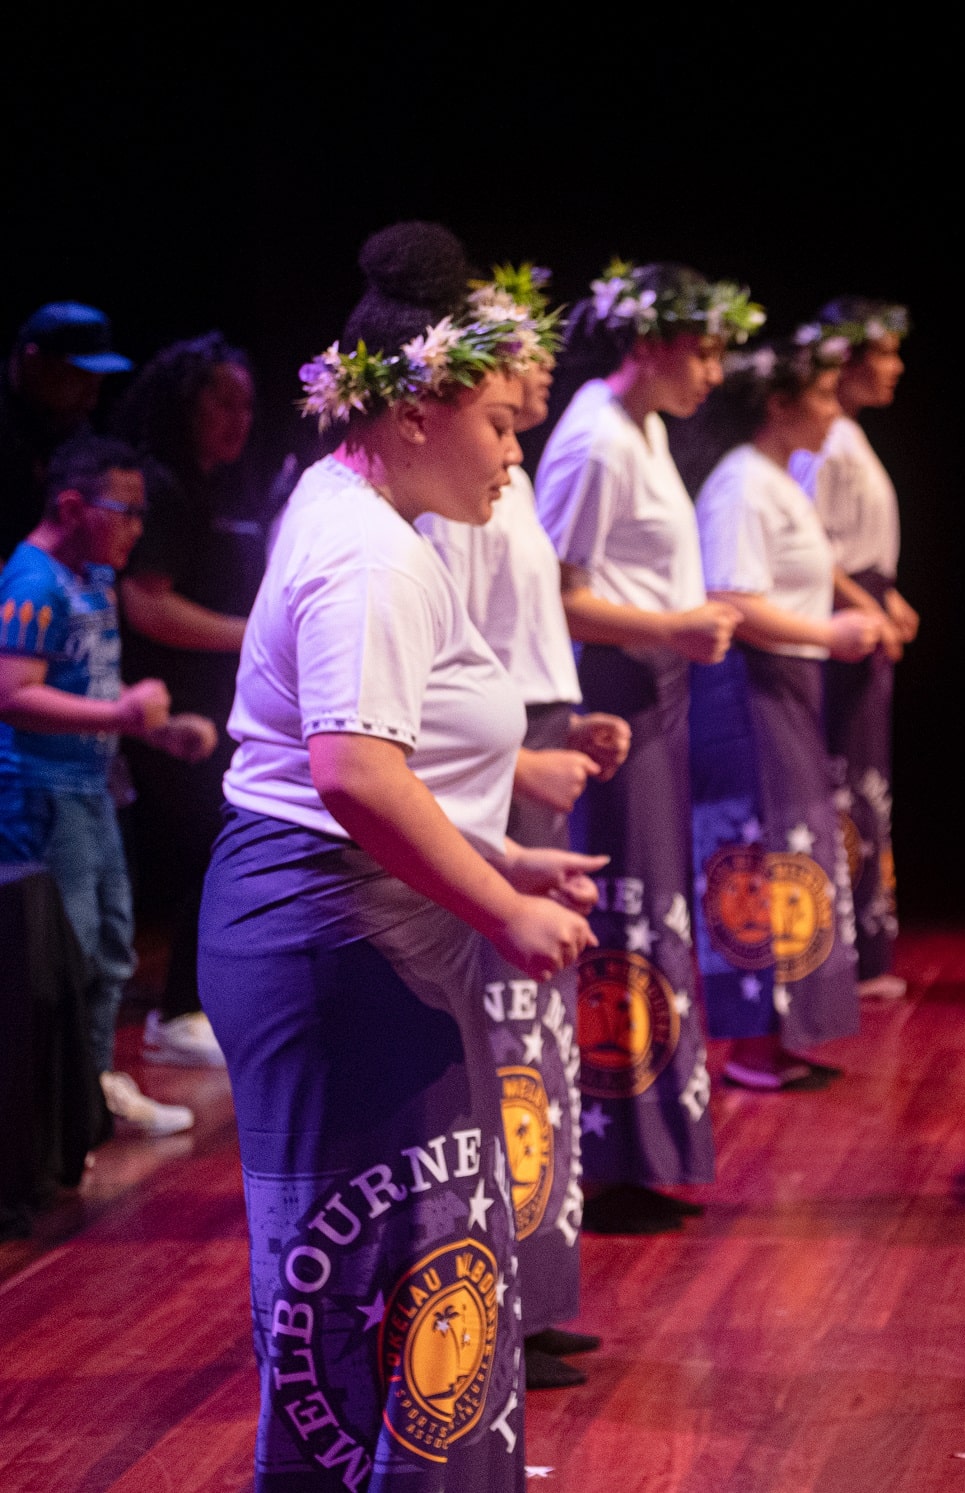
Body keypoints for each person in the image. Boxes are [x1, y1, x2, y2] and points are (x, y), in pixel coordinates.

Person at [198, 221, 602, 1487]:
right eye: (496, 420)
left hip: (343, 914)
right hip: (331, 930)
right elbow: (354, 775)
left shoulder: (356, 504)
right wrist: (497, 902)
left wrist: (494, 854)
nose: (513, 449)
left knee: (411, 1249)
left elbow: (366, 774)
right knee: (366, 1262)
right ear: (416, 410)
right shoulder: (370, 554)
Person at [415, 263, 625, 1391]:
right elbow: (453, 665)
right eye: (518, 353)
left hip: (531, 730)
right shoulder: (455, 501)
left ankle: (534, 1291)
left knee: (537, 1048)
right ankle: (498, 1298)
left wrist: (567, 713)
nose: (543, 364)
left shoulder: (515, 472)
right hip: (483, 765)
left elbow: (520, 636)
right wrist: (515, 755)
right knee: (503, 1042)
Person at [537, 259, 759, 1235]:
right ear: (647, 341)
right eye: (702, 347)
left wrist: (681, 622)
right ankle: (603, 1152)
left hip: (655, 684)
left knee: (652, 912)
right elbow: (552, 589)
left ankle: (642, 1148)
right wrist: (668, 628)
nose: (713, 370)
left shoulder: (646, 428)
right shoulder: (593, 440)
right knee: (621, 913)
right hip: (612, 690)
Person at [677, 331, 886, 1091]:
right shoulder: (740, 483)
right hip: (750, 686)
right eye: (823, 396)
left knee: (794, 849)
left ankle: (784, 1032)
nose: (835, 411)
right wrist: (829, 633)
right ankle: (752, 1044)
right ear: (778, 404)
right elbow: (733, 600)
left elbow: (811, 568)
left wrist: (861, 608)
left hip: (788, 684)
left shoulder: (774, 478)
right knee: (757, 853)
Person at [0, 436, 215, 1139]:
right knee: (67, 951)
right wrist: (120, 715)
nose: (137, 527)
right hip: (43, 791)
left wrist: (155, 728)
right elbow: (13, 693)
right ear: (71, 505)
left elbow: (84, 681)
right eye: (123, 511)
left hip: (92, 789)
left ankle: (90, 1091)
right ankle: (58, 1108)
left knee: (113, 942)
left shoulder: (90, 577)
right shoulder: (33, 582)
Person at [111, 332, 268, 1068]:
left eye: (248, 405)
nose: (239, 420)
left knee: (209, 845)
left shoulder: (218, 488)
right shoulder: (161, 487)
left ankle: (191, 1003)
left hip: (205, 707)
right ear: (186, 402)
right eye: (222, 402)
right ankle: (173, 1011)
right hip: (156, 710)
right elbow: (146, 606)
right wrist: (256, 634)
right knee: (189, 852)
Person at [789, 298, 912, 1000]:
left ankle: (868, 940)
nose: (894, 369)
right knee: (845, 781)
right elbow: (813, 549)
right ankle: (847, 946)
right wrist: (869, 604)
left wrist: (887, 598)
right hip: (840, 621)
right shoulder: (826, 441)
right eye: (885, 355)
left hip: (865, 610)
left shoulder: (849, 435)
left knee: (867, 783)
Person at [1, 303, 133, 550]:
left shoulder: (73, 426)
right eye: (80, 379)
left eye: (98, 385)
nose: (92, 401)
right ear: (34, 362)